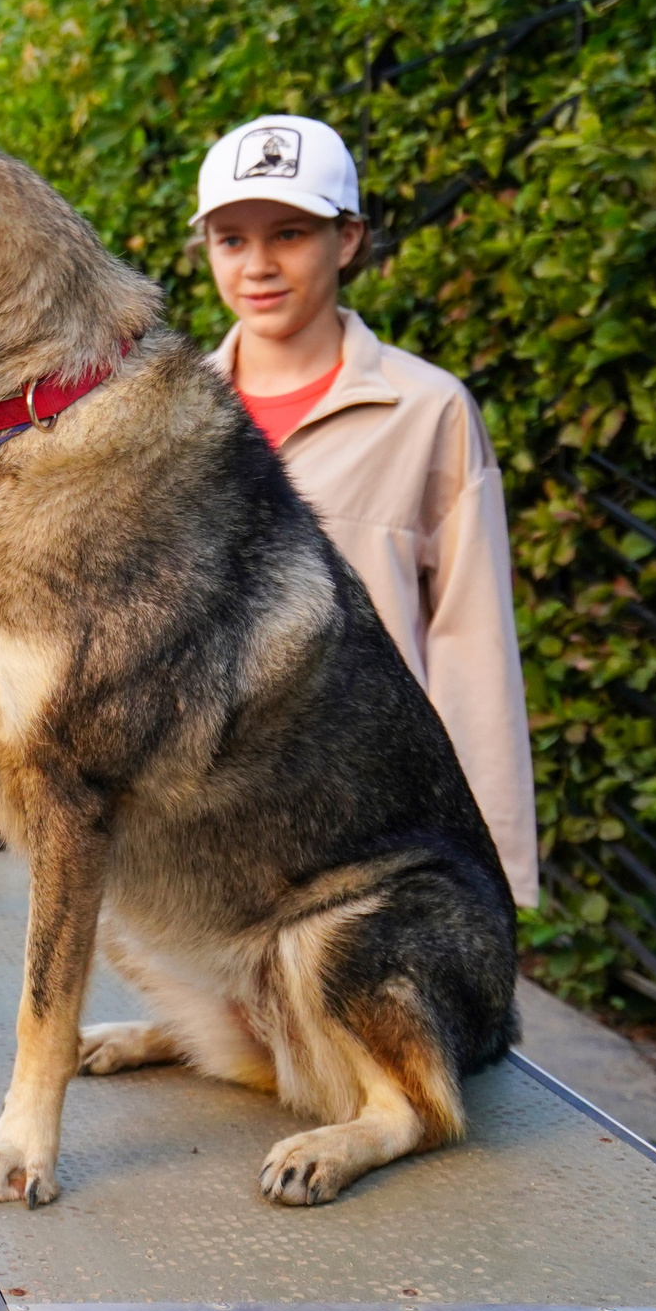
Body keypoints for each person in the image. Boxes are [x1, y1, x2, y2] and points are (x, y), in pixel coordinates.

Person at [193, 114, 537, 905]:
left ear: (346, 239)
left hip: (367, 833)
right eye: (231, 239)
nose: (259, 265)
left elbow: (472, 646)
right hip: (206, 838)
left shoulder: (429, 410)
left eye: (289, 232)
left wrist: (490, 876)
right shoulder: (176, 420)